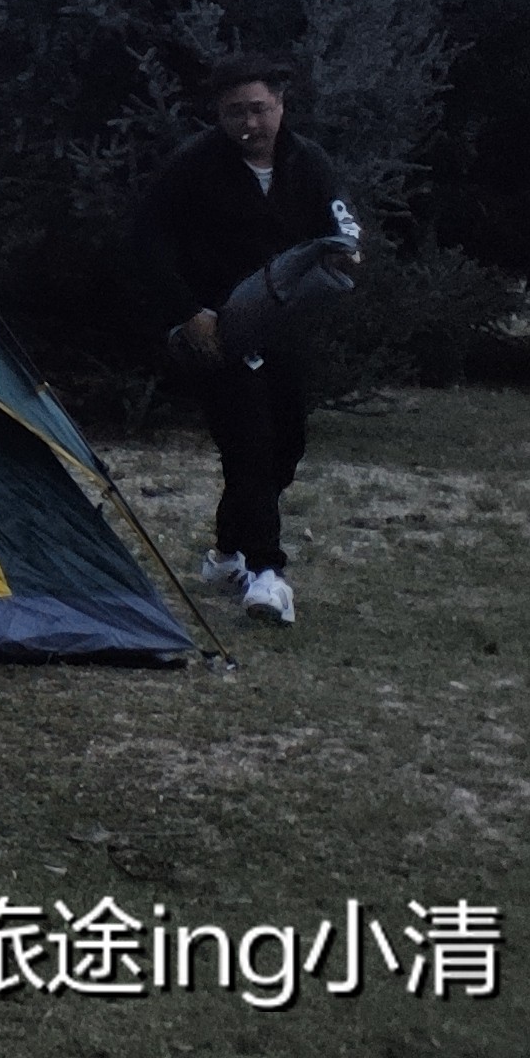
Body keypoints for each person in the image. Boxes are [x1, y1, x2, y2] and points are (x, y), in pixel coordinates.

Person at [133, 53, 361, 627]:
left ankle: (226, 551)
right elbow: (145, 244)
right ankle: (266, 575)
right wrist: (190, 313)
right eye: (236, 112)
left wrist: (343, 255)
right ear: (219, 113)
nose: (249, 123)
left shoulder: (308, 163)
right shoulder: (192, 166)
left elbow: (342, 228)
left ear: (280, 107)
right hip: (215, 333)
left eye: (259, 109)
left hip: (282, 328)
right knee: (249, 444)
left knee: (287, 445)